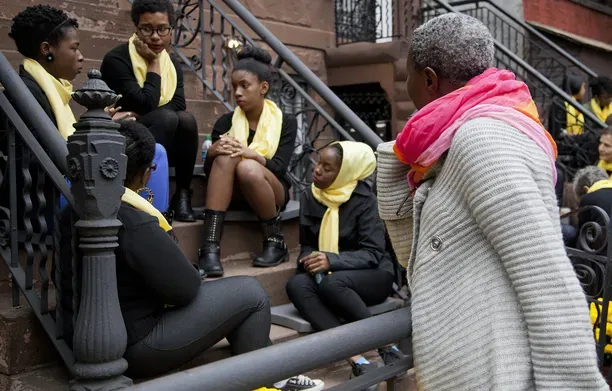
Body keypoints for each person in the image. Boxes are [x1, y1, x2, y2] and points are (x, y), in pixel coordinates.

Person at [375, 13, 608, 390]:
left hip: (491, 370)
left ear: (430, 79)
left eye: (408, 77)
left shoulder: (481, 139)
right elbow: (418, 258)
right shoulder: (467, 131)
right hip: (472, 359)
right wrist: (395, 162)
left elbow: (545, 276)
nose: (406, 87)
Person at [57, 120, 323, 391]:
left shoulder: (75, 209)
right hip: (134, 346)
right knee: (250, 293)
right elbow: (184, 290)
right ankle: (265, 381)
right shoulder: (133, 220)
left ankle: (273, 373)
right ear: (143, 174)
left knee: (231, 302)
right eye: (152, 168)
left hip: (83, 335)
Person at [7, 4, 169, 212]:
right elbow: (53, 155)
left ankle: (145, 225)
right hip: (47, 196)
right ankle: (149, 225)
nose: (81, 56)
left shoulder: (46, 87)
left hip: (60, 182)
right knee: (155, 153)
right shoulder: (28, 92)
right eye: (74, 48)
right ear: (46, 49)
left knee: (153, 151)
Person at [285, 142, 401, 381]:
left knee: (332, 284)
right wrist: (308, 259)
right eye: (318, 163)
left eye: (327, 168)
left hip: (373, 274)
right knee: (296, 285)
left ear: (345, 173)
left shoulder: (365, 199)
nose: (317, 170)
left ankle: (386, 346)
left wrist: (331, 260)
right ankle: (357, 359)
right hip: (331, 273)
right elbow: (307, 242)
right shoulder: (311, 195)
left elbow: (372, 253)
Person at [198, 45, 297, 277]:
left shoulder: (285, 122)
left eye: (245, 86)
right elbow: (210, 173)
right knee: (226, 155)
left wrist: (251, 154)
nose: (238, 93)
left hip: (272, 190)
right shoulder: (225, 123)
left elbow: (280, 167)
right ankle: (209, 248)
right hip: (233, 193)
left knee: (247, 167)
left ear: (263, 88)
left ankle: (275, 241)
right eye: (234, 87)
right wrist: (212, 152)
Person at [100, 0, 198, 221]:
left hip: (160, 133)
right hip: (125, 140)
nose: (155, 37)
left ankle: (182, 196)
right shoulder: (117, 60)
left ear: (171, 30)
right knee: (167, 117)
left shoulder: (172, 65)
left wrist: (141, 113)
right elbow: (146, 103)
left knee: (186, 120)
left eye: (162, 29)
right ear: (136, 28)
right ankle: (140, 191)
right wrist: (153, 65)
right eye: (147, 29)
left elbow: (179, 104)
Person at [548, 72, 585, 138]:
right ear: (576, 87)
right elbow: (557, 130)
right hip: (562, 142)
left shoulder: (576, 104)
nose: (584, 90)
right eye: (583, 87)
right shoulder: (560, 104)